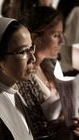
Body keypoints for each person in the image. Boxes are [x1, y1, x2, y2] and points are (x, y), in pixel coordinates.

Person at [17, 6, 79, 140]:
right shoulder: (24, 78)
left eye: (61, 34)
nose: (62, 42)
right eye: (55, 35)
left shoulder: (50, 66)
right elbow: (32, 129)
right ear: (35, 37)